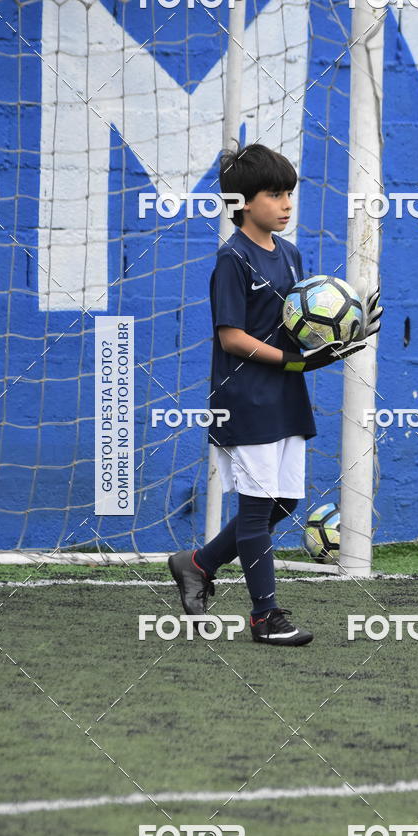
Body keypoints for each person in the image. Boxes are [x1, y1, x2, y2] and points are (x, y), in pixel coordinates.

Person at [168, 143, 382, 646]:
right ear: (242, 201)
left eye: (290, 193)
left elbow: (294, 332)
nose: (286, 203)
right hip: (245, 396)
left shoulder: (290, 254)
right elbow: (232, 337)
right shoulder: (232, 259)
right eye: (274, 194)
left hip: (286, 396)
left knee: (283, 501)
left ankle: (197, 563)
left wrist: (335, 343)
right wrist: (293, 360)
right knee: (260, 505)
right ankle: (265, 617)